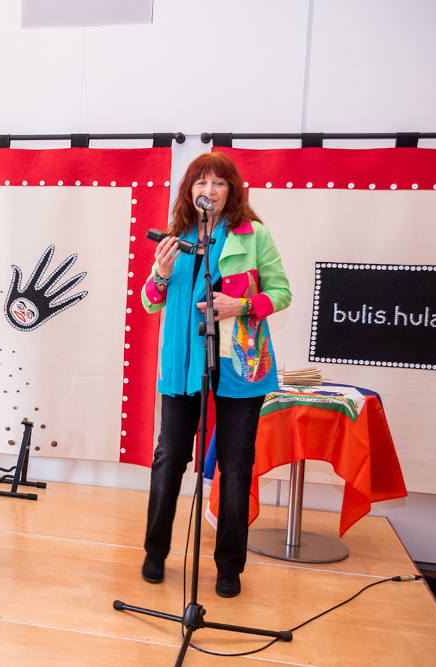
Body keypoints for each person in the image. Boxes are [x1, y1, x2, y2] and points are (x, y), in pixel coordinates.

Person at [140, 152, 291, 598]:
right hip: (183, 366)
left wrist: (239, 306)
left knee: (237, 465)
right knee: (170, 458)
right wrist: (163, 273)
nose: (209, 190)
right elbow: (151, 300)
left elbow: (280, 293)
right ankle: (155, 551)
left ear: (232, 191)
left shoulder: (253, 234)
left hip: (240, 364)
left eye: (219, 183)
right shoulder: (174, 238)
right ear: (190, 191)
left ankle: (229, 566)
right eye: (200, 183)